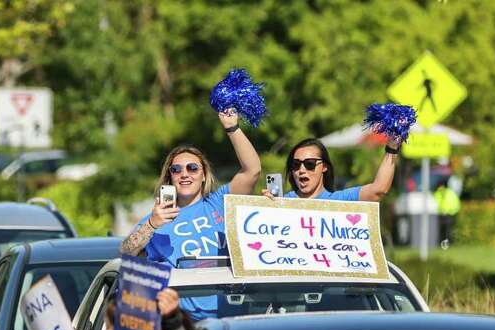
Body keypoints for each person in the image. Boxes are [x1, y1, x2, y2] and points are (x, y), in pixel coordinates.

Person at [119, 109, 261, 318]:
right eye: (176, 170)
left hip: (231, 318)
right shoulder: (158, 217)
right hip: (184, 323)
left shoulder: (220, 202)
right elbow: (125, 253)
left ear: (204, 175)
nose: (184, 174)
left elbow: (252, 170)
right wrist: (151, 224)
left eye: (193, 168)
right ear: (170, 177)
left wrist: (232, 128)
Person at [270, 137, 401, 202]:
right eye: (296, 164)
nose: (302, 170)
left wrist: (392, 148)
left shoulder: (339, 200)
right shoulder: (282, 202)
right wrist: (264, 205)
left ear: (324, 167)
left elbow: (379, 189)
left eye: (309, 164)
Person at [434, 180, 461, 245]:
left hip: (449, 215)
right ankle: (441, 244)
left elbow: (455, 204)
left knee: (448, 231)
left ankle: (449, 244)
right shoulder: (437, 193)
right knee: (441, 231)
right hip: (440, 215)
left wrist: (452, 212)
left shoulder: (450, 193)